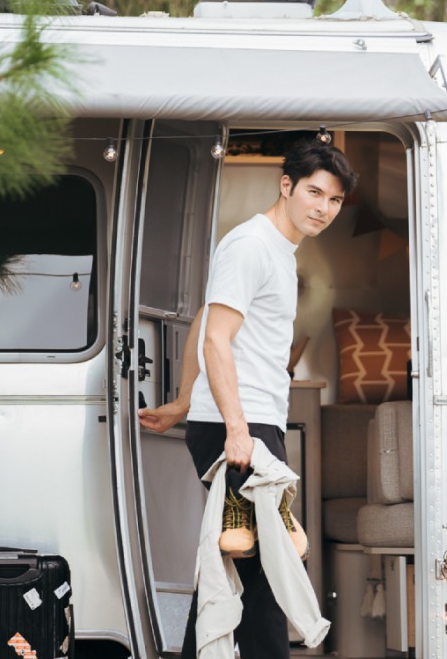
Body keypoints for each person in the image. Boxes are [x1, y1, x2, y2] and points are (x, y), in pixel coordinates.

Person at [138, 138, 357, 659]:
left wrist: (184, 401)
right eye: (314, 193)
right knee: (267, 572)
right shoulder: (251, 245)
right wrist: (235, 429)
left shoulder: (277, 249)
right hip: (242, 427)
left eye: (334, 200)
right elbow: (216, 338)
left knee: (243, 569)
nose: (324, 208)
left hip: (246, 422)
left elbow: (204, 320)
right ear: (287, 186)